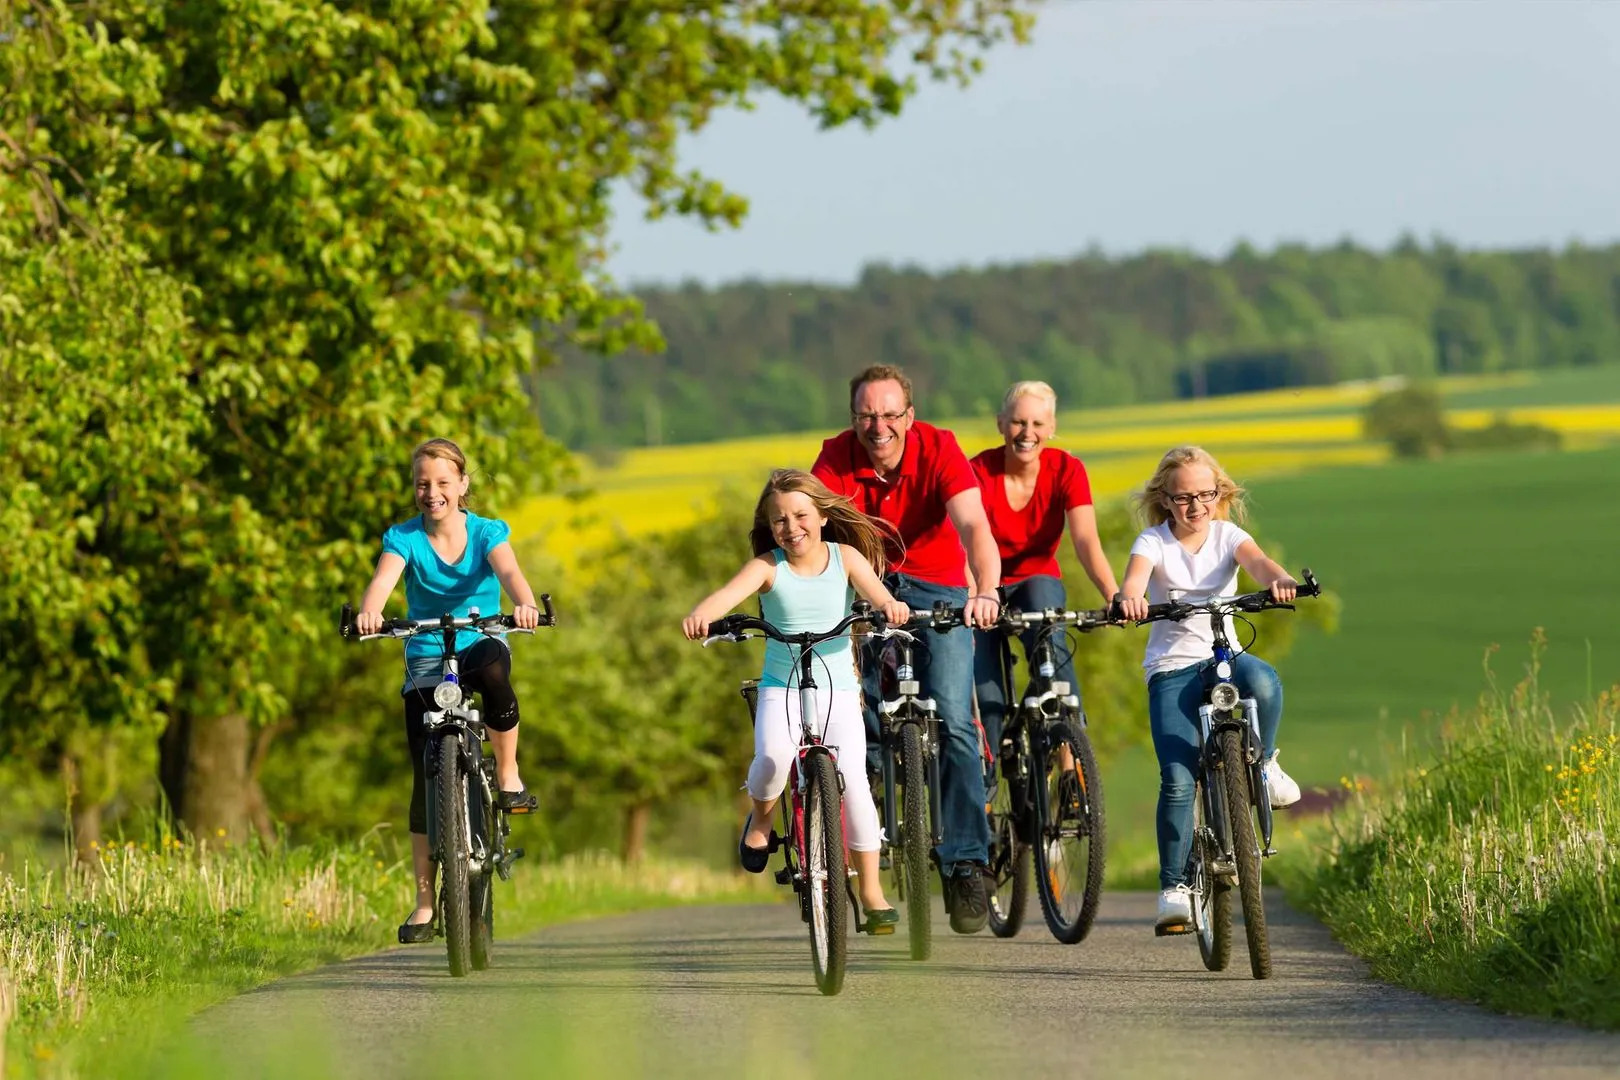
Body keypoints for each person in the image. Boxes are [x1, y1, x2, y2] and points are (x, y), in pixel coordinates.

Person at [810, 364, 1003, 934]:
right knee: (853, 713)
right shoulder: (836, 458)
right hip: (866, 585)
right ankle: (863, 834)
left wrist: (985, 590)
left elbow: (974, 526)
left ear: (909, 417)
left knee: (955, 720)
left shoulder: (940, 448)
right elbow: (809, 529)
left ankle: (967, 861)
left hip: (939, 584)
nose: (879, 426)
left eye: (890, 414)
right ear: (854, 419)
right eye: (868, 415)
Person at [682, 468, 908, 929]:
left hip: (838, 689)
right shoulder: (768, 566)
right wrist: (703, 615)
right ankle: (762, 820)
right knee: (773, 757)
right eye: (780, 520)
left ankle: (870, 891)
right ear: (770, 526)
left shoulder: (845, 558)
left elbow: (880, 596)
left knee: (856, 783)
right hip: (780, 688)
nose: (791, 528)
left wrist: (891, 607)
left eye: (801, 515)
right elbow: (726, 596)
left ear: (823, 516)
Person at [354, 437, 545, 944]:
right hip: (424, 655)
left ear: (462, 484)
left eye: (442, 482)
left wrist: (524, 603)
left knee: (495, 674)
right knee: (424, 778)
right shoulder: (403, 538)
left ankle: (507, 775)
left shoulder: (486, 531)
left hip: (479, 640)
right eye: (422, 483)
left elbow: (510, 574)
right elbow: (382, 582)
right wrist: (369, 612)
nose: (431, 492)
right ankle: (423, 903)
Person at [1114, 446, 1304, 934]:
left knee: (1262, 679)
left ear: (1221, 494)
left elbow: (1258, 563)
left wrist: (1280, 580)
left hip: (1225, 657)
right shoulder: (1153, 541)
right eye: (1183, 498)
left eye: (1206, 494)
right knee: (1178, 779)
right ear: (1166, 499)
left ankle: (1263, 767)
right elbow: (1135, 577)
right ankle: (1174, 888)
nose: (1195, 506)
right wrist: (1131, 598)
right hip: (1173, 668)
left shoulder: (1228, 536)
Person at [969, 381, 1120, 791]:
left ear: (1051, 427)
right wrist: (974, 596)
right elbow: (963, 540)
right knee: (986, 696)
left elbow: (1086, 541)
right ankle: (984, 801)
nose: (1026, 432)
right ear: (1001, 424)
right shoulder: (977, 471)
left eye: (1037, 422)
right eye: (1017, 421)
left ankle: (1071, 764)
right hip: (984, 584)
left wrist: (1113, 594)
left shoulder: (1067, 470)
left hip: (1036, 579)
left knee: (1050, 638)